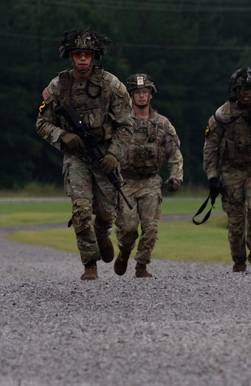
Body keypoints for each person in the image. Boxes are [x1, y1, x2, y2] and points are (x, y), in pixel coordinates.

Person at [36, 28, 133, 281]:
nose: (82, 59)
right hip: (76, 156)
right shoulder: (57, 86)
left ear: (94, 57)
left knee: (104, 213)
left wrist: (114, 154)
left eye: (87, 54)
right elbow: (41, 123)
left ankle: (102, 234)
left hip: (104, 154)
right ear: (70, 56)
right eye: (78, 54)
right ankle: (90, 263)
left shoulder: (111, 84)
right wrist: (63, 136)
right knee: (80, 210)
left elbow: (126, 124)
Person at [203, 66, 251, 272]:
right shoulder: (223, 114)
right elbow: (210, 147)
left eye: (250, 88)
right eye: (242, 88)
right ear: (235, 90)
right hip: (230, 171)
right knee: (236, 222)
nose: (246, 92)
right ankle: (239, 261)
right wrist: (212, 177)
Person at [113, 73, 184, 279]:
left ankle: (141, 265)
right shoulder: (121, 123)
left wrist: (176, 176)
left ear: (151, 95)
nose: (141, 96)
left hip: (151, 181)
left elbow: (174, 152)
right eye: (137, 93)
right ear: (131, 96)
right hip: (125, 181)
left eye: (145, 92)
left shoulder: (162, 124)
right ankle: (125, 251)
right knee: (128, 228)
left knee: (151, 227)